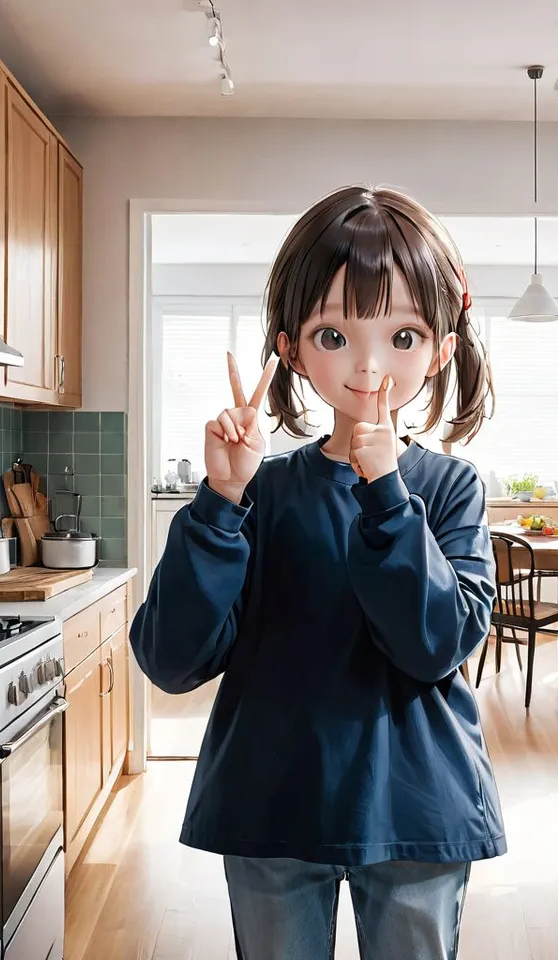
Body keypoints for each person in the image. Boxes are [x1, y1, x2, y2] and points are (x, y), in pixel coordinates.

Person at [130, 184, 506, 960]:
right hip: (273, 806)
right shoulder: (258, 492)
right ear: (291, 348)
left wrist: (387, 494)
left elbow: (432, 644)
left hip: (417, 811)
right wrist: (222, 498)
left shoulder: (449, 489)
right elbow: (171, 660)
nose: (369, 365)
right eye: (335, 335)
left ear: (440, 351)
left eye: (403, 337)